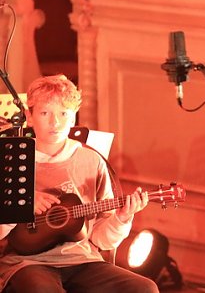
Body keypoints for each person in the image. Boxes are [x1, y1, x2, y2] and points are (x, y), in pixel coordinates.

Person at [0, 74, 157, 293]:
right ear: (30, 116)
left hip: (82, 260)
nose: (55, 122)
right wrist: (20, 204)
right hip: (26, 263)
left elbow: (101, 239)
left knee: (144, 288)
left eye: (64, 113)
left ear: (73, 118)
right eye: (45, 113)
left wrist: (121, 219)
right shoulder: (11, 159)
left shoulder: (91, 160)